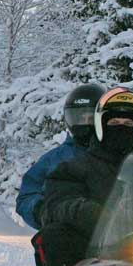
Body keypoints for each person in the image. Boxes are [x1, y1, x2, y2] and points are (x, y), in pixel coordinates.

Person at [35, 87, 133, 266]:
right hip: (96, 242)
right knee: (55, 236)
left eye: (128, 123)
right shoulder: (75, 167)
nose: (120, 127)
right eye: (114, 121)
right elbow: (56, 203)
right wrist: (88, 211)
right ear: (101, 124)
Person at [15, 84, 105, 230]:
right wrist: (42, 210)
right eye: (80, 118)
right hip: (69, 232)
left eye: (91, 118)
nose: (86, 124)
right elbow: (26, 196)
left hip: (117, 233)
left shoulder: (118, 154)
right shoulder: (54, 159)